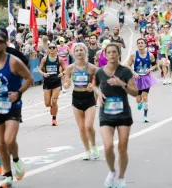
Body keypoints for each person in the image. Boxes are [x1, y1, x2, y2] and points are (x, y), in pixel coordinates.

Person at [0, 29, 33, 187]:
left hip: (12, 105)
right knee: (0, 143)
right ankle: (8, 176)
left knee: (9, 140)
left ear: (5, 44)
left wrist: (18, 93)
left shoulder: (14, 62)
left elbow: (29, 78)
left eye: (0, 41)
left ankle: (16, 160)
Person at [94, 43, 139, 188]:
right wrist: (99, 93)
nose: (112, 55)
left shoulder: (125, 72)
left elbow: (135, 92)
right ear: (105, 55)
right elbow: (93, 85)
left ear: (119, 54)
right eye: (109, 52)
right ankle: (112, 171)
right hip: (106, 114)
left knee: (122, 148)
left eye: (115, 52)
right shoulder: (100, 72)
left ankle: (121, 177)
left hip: (123, 114)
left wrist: (122, 84)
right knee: (107, 147)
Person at [63, 43, 100, 160]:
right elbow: (66, 83)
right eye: (77, 50)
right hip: (76, 97)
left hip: (89, 97)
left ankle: (94, 146)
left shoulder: (91, 68)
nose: (79, 52)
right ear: (74, 53)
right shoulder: (70, 68)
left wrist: (93, 85)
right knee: (82, 128)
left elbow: (100, 80)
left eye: (81, 50)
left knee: (88, 126)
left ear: (85, 52)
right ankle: (87, 151)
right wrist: (66, 84)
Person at [125, 38, 157, 123]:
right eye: (138, 43)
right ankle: (140, 102)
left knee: (145, 96)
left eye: (142, 43)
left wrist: (150, 69)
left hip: (146, 78)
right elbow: (128, 66)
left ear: (145, 44)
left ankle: (145, 116)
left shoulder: (150, 55)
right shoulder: (133, 55)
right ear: (137, 45)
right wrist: (134, 73)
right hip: (136, 79)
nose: (140, 44)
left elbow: (155, 65)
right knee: (138, 99)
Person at [40, 39, 65, 126]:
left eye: (53, 47)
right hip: (47, 82)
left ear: (56, 49)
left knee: (54, 101)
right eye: (50, 47)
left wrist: (62, 73)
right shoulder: (44, 59)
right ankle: (51, 107)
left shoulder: (60, 59)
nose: (51, 49)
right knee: (47, 104)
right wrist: (43, 73)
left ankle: (54, 119)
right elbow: (39, 69)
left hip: (56, 82)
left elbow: (65, 69)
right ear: (48, 49)